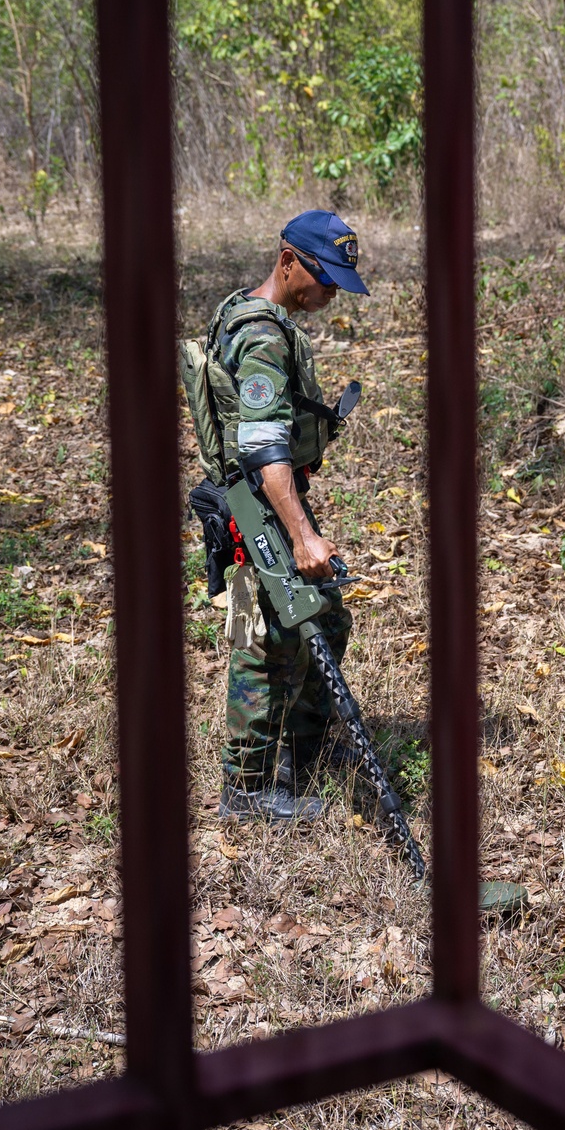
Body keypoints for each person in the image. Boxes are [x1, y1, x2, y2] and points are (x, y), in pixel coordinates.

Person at [203, 210, 368, 822]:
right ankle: (246, 789)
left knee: (324, 619)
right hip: (257, 506)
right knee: (264, 640)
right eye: (325, 279)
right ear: (288, 260)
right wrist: (302, 535)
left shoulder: (244, 312)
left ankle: (304, 753)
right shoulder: (263, 337)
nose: (330, 294)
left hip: (258, 499)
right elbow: (263, 447)